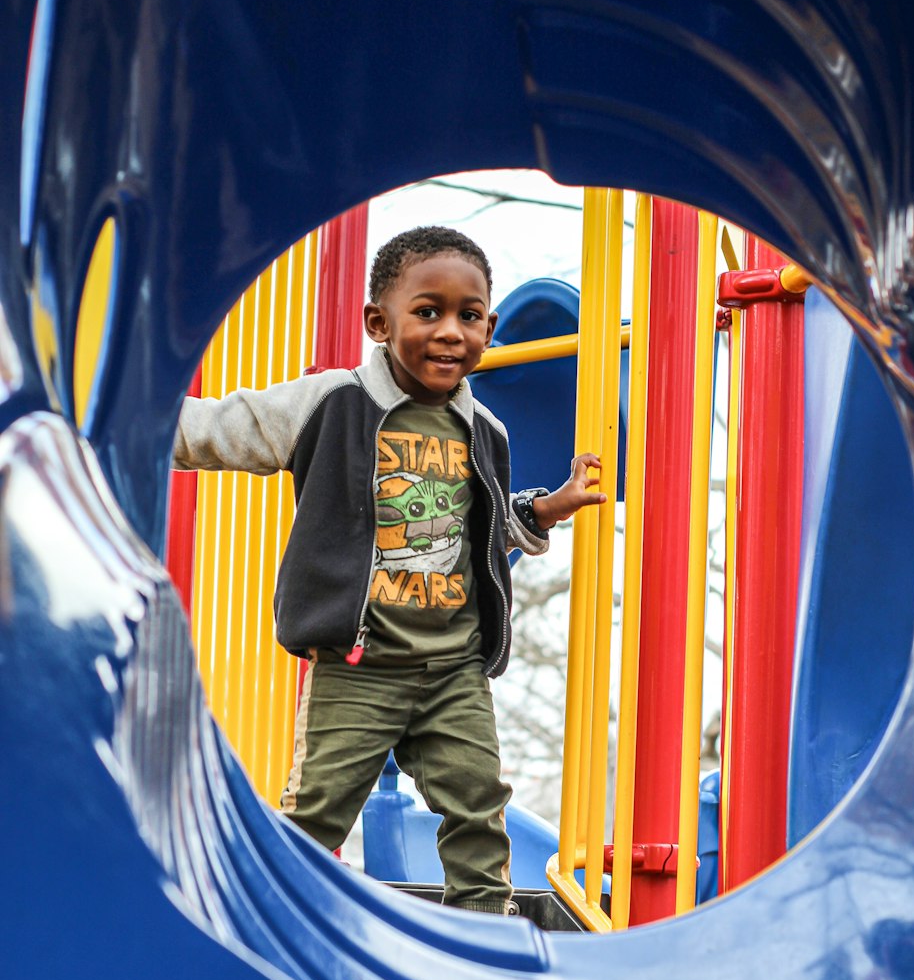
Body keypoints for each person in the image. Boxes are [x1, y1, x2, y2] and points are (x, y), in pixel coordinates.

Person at [174, 225, 605, 915]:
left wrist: (548, 508)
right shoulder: (333, 403)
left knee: (477, 805)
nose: (449, 332)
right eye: (427, 312)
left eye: (469, 316)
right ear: (380, 321)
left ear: (489, 329)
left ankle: (485, 936)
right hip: (359, 665)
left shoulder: (484, 430)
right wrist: (133, 420)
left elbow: (481, 535)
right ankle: (286, 925)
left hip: (453, 670)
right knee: (319, 808)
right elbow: (224, 426)